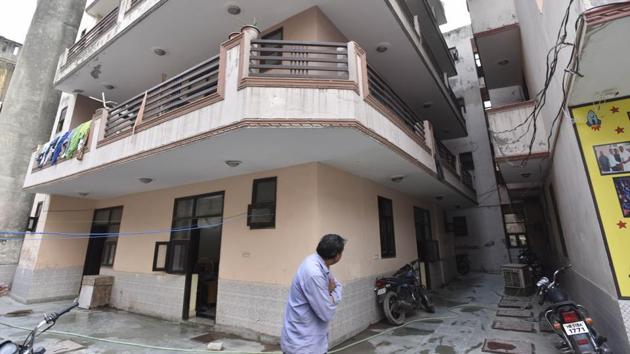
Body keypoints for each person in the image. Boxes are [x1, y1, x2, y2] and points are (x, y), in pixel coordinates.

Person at [280, 234, 346, 354]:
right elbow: (326, 313)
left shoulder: (321, 264)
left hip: (312, 342)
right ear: (337, 255)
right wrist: (329, 292)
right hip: (303, 345)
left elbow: (337, 285)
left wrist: (328, 293)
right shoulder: (313, 272)